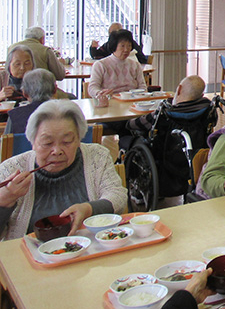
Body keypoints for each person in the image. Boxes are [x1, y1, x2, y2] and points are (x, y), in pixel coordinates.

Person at [0, 100, 126, 240]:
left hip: (91, 251)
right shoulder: (11, 169)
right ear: (32, 142)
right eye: (47, 143)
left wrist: (88, 209)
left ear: (79, 139)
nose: (57, 151)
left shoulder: (97, 156)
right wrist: (6, 198)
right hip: (29, 257)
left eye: (67, 142)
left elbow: (118, 196)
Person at [87, 29, 146, 103]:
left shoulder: (135, 65)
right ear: (114, 46)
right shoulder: (101, 65)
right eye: (122, 46)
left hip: (132, 103)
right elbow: (92, 87)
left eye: (129, 46)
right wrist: (100, 93)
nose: (126, 49)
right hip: (110, 102)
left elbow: (142, 86)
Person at [5, 69, 57, 133]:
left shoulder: (15, 116)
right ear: (55, 90)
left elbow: (6, 141)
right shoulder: (67, 112)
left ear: (24, 93)